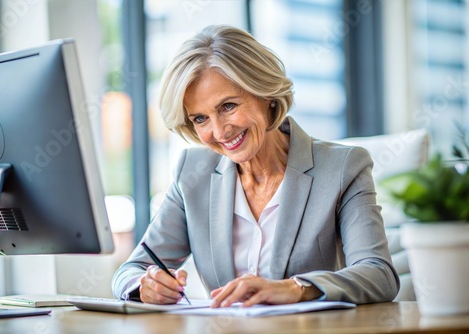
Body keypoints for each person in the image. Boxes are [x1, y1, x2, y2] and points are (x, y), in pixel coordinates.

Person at [112, 25, 399, 307]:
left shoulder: (343, 168)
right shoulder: (193, 173)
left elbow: (379, 274)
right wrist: (145, 285)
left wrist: (295, 288)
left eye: (228, 106)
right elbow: (130, 270)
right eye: (200, 118)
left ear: (265, 93)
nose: (220, 131)